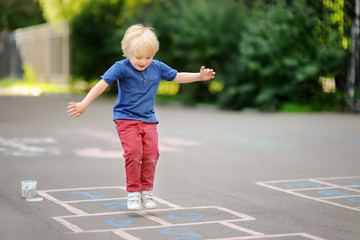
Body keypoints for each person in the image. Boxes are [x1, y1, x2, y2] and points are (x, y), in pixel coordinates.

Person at [67, 24, 215, 211]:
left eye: (149, 57)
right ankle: (133, 194)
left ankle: (146, 191)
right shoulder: (121, 67)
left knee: (152, 154)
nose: (144, 61)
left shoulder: (157, 67)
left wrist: (199, 77)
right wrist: (83, 104)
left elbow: (177, 76)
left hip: (148, 119)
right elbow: (102, 84)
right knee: (134, 153)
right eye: (139, 57)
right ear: (127, 52)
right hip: (126, 118)